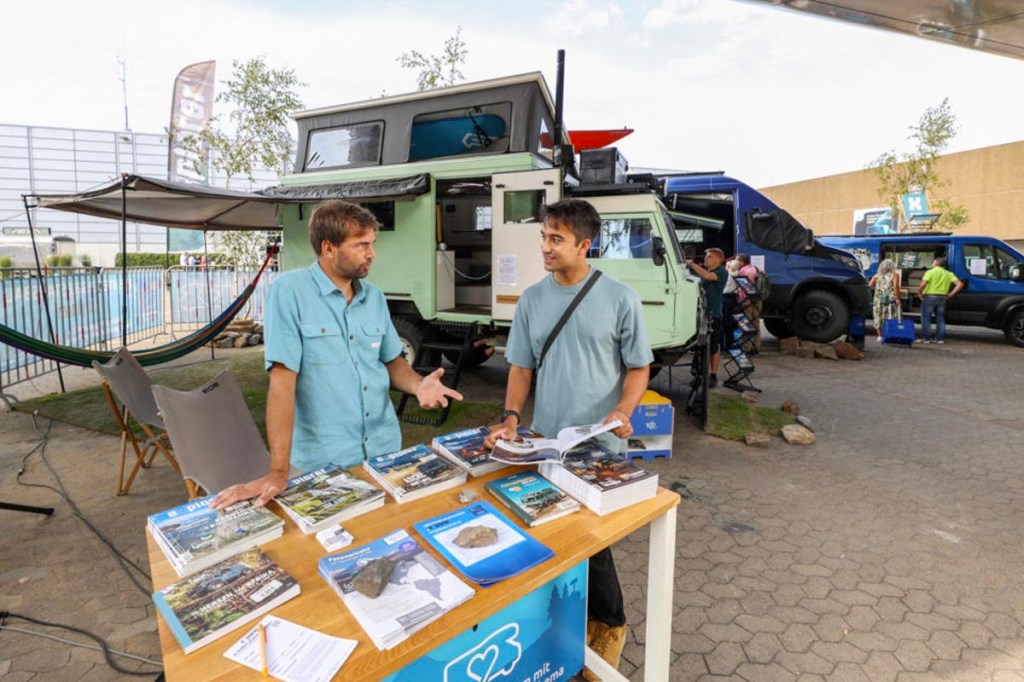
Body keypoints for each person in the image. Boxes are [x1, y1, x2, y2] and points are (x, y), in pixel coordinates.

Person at [483, 199, 651, 681]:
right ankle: (571, 629)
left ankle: (610, 625)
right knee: (555, 534)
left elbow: (638, 368)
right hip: (545, 442)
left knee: (592, 541)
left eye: (556, 239)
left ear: (585, 243)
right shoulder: (533, 300)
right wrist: (512, 418)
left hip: (599, 447)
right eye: (543, 237)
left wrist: (624, 410)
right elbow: (521, 367)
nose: (545, 247)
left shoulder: (620, 298)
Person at [212, 200, 462, 510]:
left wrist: (418, 384)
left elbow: (392, 362)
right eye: (361, 245)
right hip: (323, 464)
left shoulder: (374, 296)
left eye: (372, 244)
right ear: (329, 248)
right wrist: (278, 471)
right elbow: (282, 384)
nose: (372, 253)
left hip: (384, 454)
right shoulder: (289, 292)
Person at [686, 248, 728, 387]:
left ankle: (713, 375)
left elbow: (709, 277)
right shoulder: (708, 271)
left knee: (714, 346)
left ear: (719, 259)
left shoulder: (721, 272)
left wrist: (692, 264)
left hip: (714, 315)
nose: (706, 259)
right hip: (702, 315)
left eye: (709, 257)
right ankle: (698, 373)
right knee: (699, 345)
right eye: (706, 257)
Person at [917, 255, 963, 344]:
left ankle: (926, 338)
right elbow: (960, 284)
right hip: (942, 298)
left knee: (926, 318)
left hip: (930, 296)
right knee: (940, 318)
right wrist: (950, 294)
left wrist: (919, 293)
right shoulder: (948, 273)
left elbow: (923, 284)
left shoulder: (930, 272)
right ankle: (939, 339)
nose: (932, 263)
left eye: (933, 262)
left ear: (936, 263)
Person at [734, 253, 763, 354]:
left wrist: (743, 302)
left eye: (736, 260)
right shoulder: (757, 269)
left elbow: (743, 289)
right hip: (758, 301)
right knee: (756, 325)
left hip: (747, 301)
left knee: (746, 326)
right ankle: (756, 347)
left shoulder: (743, 271)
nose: (735, 262)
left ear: (741, 262)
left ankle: (747, 348)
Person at [868, 258, 901, 342]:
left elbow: (870, 286)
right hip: (890, 300)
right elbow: (896, 287)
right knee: (892, 316)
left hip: (878, 300)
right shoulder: (895, 275)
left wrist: (879, 288)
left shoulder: (877, 275)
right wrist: (898, 298)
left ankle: (880, 336)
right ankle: (891, 335)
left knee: (878, 317)